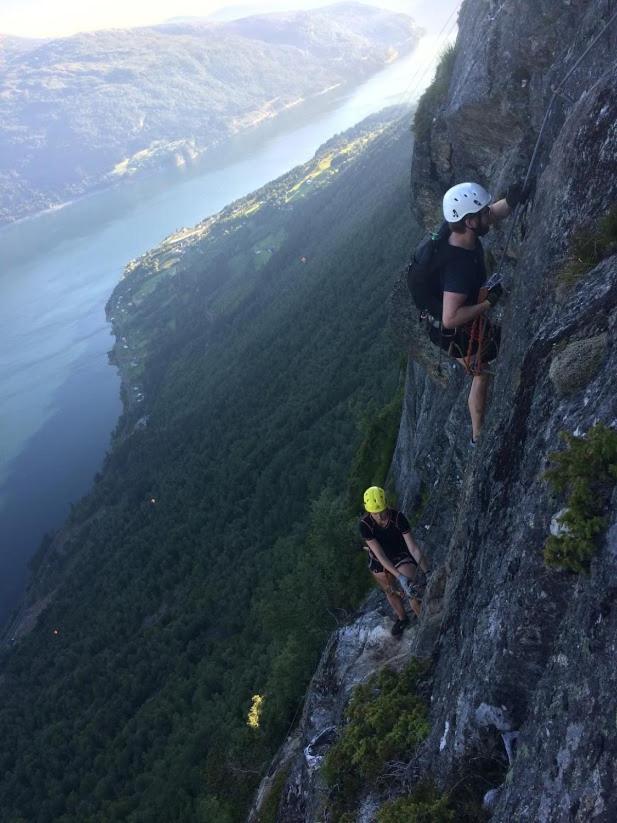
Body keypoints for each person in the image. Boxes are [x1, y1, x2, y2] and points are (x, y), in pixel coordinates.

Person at [427, 180, 531, 443]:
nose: (489, 214)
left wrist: (511, 199)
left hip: (450, 321)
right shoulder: (457, 268)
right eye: (483, 213)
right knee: (480, 373)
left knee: (484, 362)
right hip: (451, 332)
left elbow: (492, 214)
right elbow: (450, 319)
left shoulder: (460, 229)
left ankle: (478, 433)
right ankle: (478, 435)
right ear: (470, 221)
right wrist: (487, 304)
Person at [359, 486, 431, 636]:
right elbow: (380, 555)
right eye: (375, 513)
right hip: (379, 559)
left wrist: (427, 571)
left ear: (386, 505)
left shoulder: (398, 518)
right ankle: (402, 618)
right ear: (369, 511)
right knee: (389, 590)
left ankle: (425, 625)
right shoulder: (365, 525)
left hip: (400, 553)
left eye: (382, 511)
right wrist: (399, 577)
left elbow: (413, 548)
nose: (380, 516)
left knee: (412, 589)